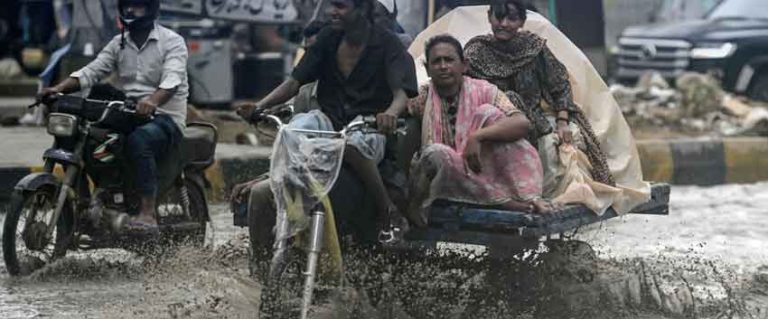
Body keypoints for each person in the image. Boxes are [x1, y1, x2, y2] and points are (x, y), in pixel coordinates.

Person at [234, 0, 418, 248]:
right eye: (332, 5)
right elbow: (293, 83)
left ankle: (386, 209)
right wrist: (259, 107)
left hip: (368, 126)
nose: (333, 12)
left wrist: (390, 114)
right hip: (328, 121)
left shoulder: (388, 44)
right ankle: (289, 198)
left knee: (352, 144)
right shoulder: (327, 38)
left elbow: (401, 94)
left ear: (362, 9)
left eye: (341, 6)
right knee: (293, 129)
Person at [38, 0, 188, 232]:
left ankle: (147, 212)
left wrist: (152, 101)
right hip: (128, 113)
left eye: (137, 6)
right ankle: (84, 202)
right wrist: (58, 89)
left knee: (139, 140)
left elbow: (173, 79)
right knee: (79, 134)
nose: (131, 10)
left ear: (151, 9)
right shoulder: (119, 43)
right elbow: (91, 71)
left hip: (164, 117)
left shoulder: (172, 41)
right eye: (127, 6)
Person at [463, 0, 614, 193]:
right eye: (499, 17)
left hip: (535, 122)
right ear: (489, 17)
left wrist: (562, 121)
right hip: (491, 125)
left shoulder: (534, 48)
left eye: (512, 18)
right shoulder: (475, 53)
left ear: (522, 21)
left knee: (556, 154)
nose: (504, 24)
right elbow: (464, 90)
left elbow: (559, 84)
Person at [406, 34, 549, 228]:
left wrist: (477, 137)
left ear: (464, 65)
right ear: (427, 69)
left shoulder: (484, 90)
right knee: (434, 153)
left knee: (488, 113)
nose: (443, 66)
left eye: (449, 60)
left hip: (487, 170)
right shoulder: (422, 97)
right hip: (451, 176)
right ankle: (504, 203)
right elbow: (402, 108)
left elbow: (522, 123)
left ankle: (523, 197)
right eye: (436, 61)